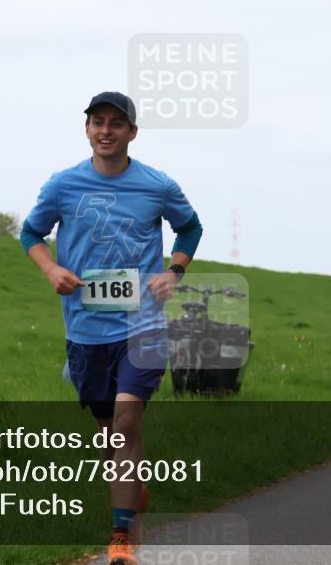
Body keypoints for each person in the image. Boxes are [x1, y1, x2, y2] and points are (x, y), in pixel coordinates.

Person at [21, 92, 202, 565]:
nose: (106, 131)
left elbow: (190, 228)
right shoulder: (63, 185)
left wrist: (173, 271)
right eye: (98, 122)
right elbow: (30, 234)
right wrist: (50, 270)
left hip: (141, 326)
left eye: (116, 124)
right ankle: (132, 490)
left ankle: (120, 541)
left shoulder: (157, 185)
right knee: (111, 436)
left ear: (132, 133)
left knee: (126, 422)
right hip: (85, 331)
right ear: (87, 130)